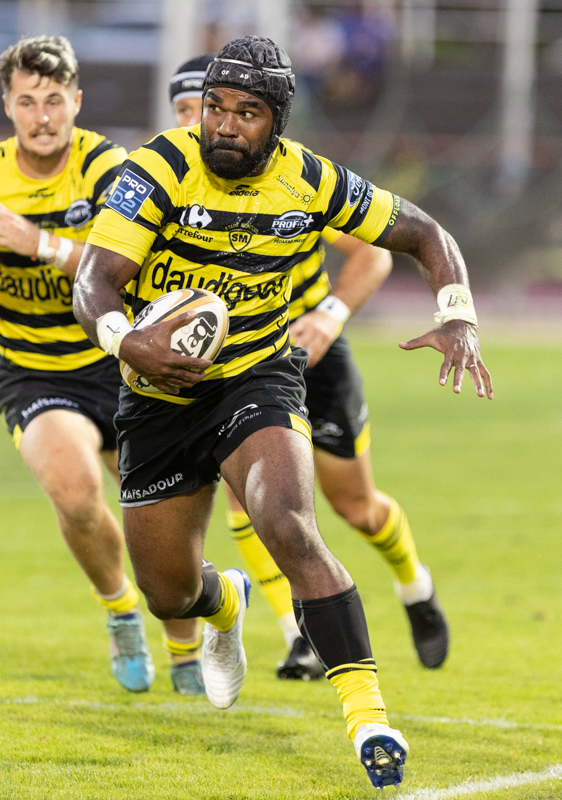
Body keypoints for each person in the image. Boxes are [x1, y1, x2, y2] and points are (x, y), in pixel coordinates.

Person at [74, 36, 492, 788]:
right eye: (215, 108)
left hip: (255, 381)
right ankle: (227, 599)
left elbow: (426, 233)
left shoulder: (312, 180)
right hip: (158, 394)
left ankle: (369, 721)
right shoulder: (160, 168)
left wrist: (457, 313)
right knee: (166, 591)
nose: (225, 125)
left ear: (279, 121)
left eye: (247, 112)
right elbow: (94, 280)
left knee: (291, 524)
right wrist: (126, 341)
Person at [0, 36, 205, 695]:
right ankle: (120, 610)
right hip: (34, 372)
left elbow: (141, 260)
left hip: (120, 357)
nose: (42, 116)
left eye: (54, 101)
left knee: (158, 512)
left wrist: (39, 243)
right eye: (27, 102)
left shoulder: (111, 168)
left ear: (76, 101)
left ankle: (185, 640)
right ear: (8, 107)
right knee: (75, 493)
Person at [169, 55, 450, 681]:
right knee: (247, 500)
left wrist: (327, 314)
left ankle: (414, 585)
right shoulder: (164, 178)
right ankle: (298, 634)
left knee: (357, 506)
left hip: (308, 354)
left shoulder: (291, 178)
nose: (212, 125)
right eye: (196, 110)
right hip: (233, 369)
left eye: (232, 111)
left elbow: (375, 256)